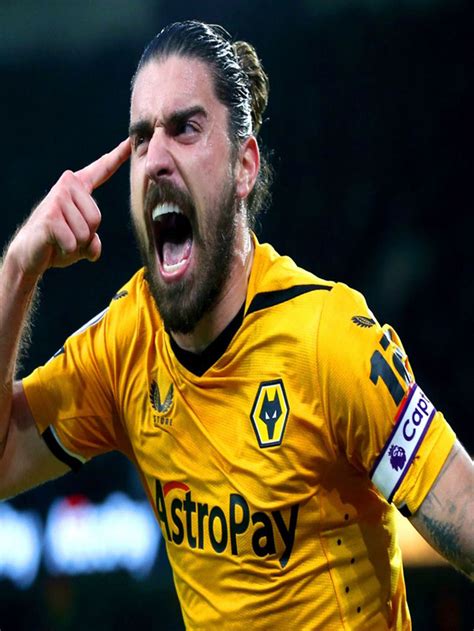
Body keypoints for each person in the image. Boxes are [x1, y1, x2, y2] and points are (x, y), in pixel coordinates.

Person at [0, 20, 472, 630]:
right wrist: (18, 268)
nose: (156, 158)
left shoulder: (329, 340)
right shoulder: (125, 345)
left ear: (244, 165)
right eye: (141, 138)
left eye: (185, 128)